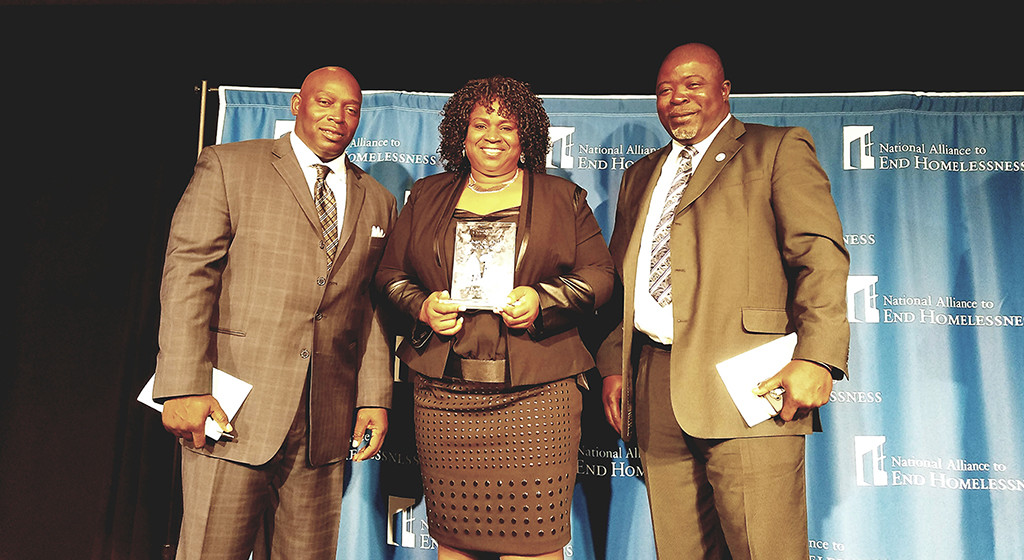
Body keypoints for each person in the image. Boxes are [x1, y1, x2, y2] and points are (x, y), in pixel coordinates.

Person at [596, 44, 850, 559]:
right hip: (655, 387)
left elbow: (819, 257)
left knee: (765, 550)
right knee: (680, 551)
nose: (677, 98)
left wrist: (817, 357)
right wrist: (614, 364)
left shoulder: (775, 149)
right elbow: (625, 280)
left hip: (751, 385)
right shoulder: (640, 175)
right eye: (665, 89)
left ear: (724, 89)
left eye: (692, 84)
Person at [154, 66, 397, 559]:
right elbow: (188, 277)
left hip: (324, 421)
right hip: (231, 410)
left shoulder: (379, 198)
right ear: (296, 104)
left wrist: (374, 395)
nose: (338, 117)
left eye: (351, 109)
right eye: (325, 102)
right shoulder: (228, 165)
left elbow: (368, 305)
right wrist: (182, 385)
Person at [375, 76, 614, 560]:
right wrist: (421, 306)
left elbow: (602, 277)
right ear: (460, 136)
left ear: (525, 136)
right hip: (445, 398)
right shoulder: (426, 195)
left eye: (506, 125)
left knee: (537, 542)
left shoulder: (562, 199)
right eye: (480, 123)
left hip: (538, 398)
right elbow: (389, 275)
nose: (492, 134)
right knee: (456, 540)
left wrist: (542, 301)